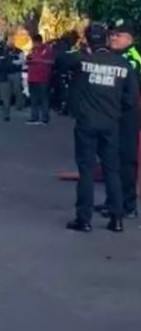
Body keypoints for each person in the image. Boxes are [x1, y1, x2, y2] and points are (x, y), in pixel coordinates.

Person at [64, 23, 138, 233]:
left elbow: (61, 60)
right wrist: (116, 110)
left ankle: (84, 219)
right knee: (112, 170)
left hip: (86, 123)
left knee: (86, 170)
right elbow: (131, 98)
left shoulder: (82, 61)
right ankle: (117, 219)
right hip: (111, 123)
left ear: (87, 40)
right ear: (106, 39)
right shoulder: (123, 64)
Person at [93, 20, 141, 219]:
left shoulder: (132, 58)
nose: (113, 38)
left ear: (129, 39)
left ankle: (127, 205)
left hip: (127, 115)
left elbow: (128, 91)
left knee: (125, 160)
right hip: (112, 113)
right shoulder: (115, 56)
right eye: (112, 34)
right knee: (110, 158)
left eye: (118, 35)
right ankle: (113, 201)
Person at [26, 34, 54, 125]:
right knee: (33, 99)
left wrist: (39, 61)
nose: (34, 44)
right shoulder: (32, 50)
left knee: (44, 98)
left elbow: (52, 61)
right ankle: (34, 117)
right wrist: (29, 60)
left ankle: (45, 117)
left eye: (35, 42)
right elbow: (28, 60)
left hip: (43, 78)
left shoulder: (47, 50)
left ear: (39, 42)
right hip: (32, 78)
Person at [8, 43, 26, 111]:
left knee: (17, 89)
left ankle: (19, 105)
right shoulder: (5, 51)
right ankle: (8, 105)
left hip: (16, 73)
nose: (10, 45)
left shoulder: (19, 52)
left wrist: (12, 62)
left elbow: (22, 61)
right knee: (7, 90)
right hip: (7, 73)